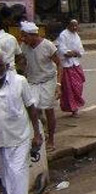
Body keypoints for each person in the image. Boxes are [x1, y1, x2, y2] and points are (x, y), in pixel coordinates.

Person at [0, 54, 43, 194]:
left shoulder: (19, 82)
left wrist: (37, 134)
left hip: (19, 138)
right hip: (1, 141)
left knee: (18, 174)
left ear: (5, 66)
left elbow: (31, 108)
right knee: (6, 178)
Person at [20, 22, 61, 152]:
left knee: (49, 110)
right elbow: (22, 63)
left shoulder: (48, 45)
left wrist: (58, 85)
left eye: (25, 36)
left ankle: (51, 139)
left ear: (33, 35)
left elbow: (59, 64)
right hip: (32, 81)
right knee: (32, 108)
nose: (23, 39)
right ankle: (39, 133)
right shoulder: (24, 46)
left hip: (48, 80)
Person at [55, 19, 85, 117]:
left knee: (78, 86)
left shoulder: (76, 36)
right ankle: (73, 109)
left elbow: (80, 50)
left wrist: (76, 53)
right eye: (73, 26)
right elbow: (62, 50)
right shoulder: (63, 35)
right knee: (69, 89)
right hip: (66, 65)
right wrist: (70, 53)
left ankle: (76, 105)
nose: (75, 28)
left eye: (76, 25)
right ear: (68, 25)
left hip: (75, 64)